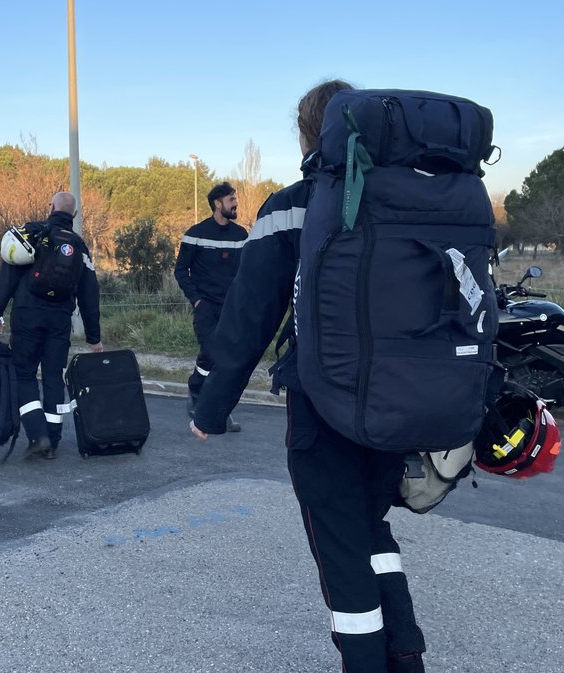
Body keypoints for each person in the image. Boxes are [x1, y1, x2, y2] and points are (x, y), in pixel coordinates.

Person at [190, 80, 429, 673]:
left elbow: (251, 315)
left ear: (309, 133)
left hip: (322, 400)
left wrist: (211, 406)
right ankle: (407, 658)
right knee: (373, 529)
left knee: (341, 545)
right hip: (400, 402)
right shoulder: (414, 198)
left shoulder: (294, 203)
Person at [0, 191, 103, 460]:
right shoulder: (79, 246)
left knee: (24, 375)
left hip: (27, 315)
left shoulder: (32, 234)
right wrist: (93, 337)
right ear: (73, 215)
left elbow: (8, 276)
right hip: (60, 319)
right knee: (53, 377)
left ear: (50, 207)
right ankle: (53, 440)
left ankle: (38, 436)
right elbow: (89, 294)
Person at [174, 181, 246, 432]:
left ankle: (215, 408)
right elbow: (181, 270)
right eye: (231, 199)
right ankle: (200, 397)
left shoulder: (241, 235)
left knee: (221, 357)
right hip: (205, 306)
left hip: (231, 307)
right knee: (214, 353)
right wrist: (196, 299)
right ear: (217, 204)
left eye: (235, 199)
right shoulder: (195, 233)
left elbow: (246, 272)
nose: (235, 203)